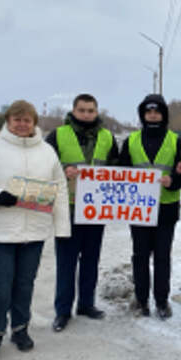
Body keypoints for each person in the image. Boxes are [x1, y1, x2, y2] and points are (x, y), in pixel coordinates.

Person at [0, 100, 70, 360]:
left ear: (34, 123)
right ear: (8, 122)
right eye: (17, 120)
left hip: (33, 232)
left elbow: (60, 189)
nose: (22, 124)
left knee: (24, 285)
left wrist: (62, 227)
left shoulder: (46, 152)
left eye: (27, 120)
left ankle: (20, 329)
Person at [46, 94, 119, 332]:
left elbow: (117, 167)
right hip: (67, 208)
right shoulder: (58, 135)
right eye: (82, 110)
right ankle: (63, 311)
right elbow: (44, 165)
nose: (86, 114)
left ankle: (86, 304)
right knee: (66, 262)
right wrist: (61, 172)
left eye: (90, 110)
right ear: (74, 111)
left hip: (96, 210)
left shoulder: (107, 137)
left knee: (91, 260)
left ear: (97, 111)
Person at [118, 94, 181, 319]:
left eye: (157, 111)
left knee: (161, 257)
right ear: (143, 115)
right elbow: (121, 172)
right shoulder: (131, 141)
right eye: (148, 112)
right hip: (138, 209)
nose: (152, 115)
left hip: (165, 207)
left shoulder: (175, 141)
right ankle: (141, 299)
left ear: (163, 114)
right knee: (140, 256)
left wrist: (173, 181)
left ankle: (161, 300)